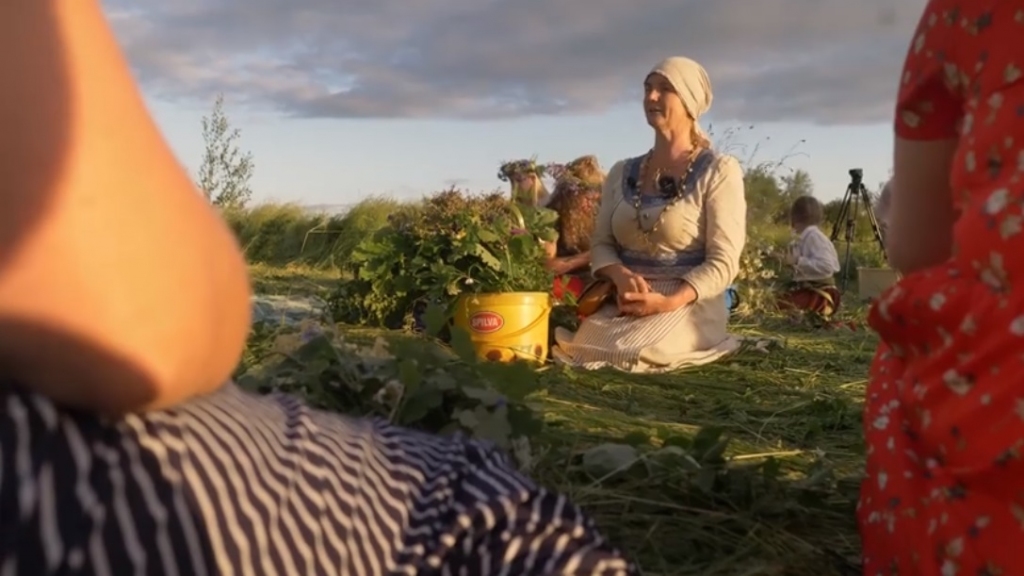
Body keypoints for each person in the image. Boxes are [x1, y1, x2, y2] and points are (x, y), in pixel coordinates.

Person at [0, 2, 636, 574]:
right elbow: (139, 314)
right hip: (74, 478)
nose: (529, 182)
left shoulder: (584, 200)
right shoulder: (574, 201)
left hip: (627, 288)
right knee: (492, 512)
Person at [859, 0, 1024, 573]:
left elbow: (916, 250)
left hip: (1003, 389)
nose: (653, 99)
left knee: (902, 348)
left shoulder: (966, 11)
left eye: (664, 89)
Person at [552, 56, 746, 372]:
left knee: (638, 354)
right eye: (647, 88)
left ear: (689, 102)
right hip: (625, 304)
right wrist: (619, 274)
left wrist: (669, 301)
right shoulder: (621, 172)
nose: (651, 97)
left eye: (665, 89)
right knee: (582, 348)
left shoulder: (719, 171)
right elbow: (602, 243)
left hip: (688, 304)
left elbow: (724, 261)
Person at [545, 155, 604, 302]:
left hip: (598, 281)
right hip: (566, 285)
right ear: (571, 194)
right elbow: (546, 267)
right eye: (588, 198)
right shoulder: (550, 218)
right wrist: (589, 256)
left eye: (595, 198)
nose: (591, 204)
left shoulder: (598, 214)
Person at [776, 196, 842, 318]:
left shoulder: (814, 237)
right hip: (810, 291)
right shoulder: (805, 238)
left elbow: (827, 267)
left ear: (794, 218)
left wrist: (798, 261)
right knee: (776, 301)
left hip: (820, 295)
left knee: (779, 306)